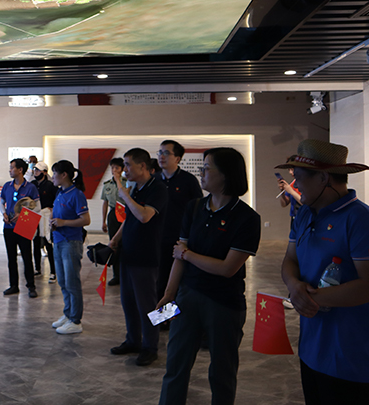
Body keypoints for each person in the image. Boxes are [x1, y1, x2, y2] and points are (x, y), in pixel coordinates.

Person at [280, 139, 369, 405]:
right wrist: (294, 285)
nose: (295, 186)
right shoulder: (305, 214)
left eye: (300, 178)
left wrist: (309, 298)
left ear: (323, 178)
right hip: (312, 349)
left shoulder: (362, 220)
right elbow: (290, 260)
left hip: (350, 356)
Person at [157, 147, 260, 405]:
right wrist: (169, 294)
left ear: (225, 174)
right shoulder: (194, 208)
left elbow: (227, 268)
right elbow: (178, 256)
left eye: (206, 168)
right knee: (175, 364)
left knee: (223, 371)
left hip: (224, 302)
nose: (201, 173)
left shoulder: (247, 218)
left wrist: (187, 254)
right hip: (187, 295)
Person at [108, 148, 167, 366]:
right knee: (128, 301)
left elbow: (143, 216)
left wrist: (123, 193)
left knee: (147, 304)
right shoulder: (136, 188)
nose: (125, 169)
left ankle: (150, 346)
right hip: (129, 252)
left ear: (143, 166)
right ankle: (133, 340)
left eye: (128, 164)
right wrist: (115, 239)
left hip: (146, 254)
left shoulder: (158, 188)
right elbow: (130, 218)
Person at [155, 140, 203, 304]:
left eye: (166, 153)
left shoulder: (188, 180)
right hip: (157, 238)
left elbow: (198, 210)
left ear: (177, 158)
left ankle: (176, 314)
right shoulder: (154, 180)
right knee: (159, 281)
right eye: (160, 152)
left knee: (177, 281)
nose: (161, 156)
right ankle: (161, 315)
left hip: (180, 240)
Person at [49, 160, 90, 335]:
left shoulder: (77, 194)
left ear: (64, 175)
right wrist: (53, 223)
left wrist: (63, 222)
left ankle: (75, 320)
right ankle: (68, 313)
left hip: (71, 243)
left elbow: (86, 220)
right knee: (63, 281)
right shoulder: (60, 192)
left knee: (72, 282)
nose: (52, 177)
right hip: (58, 241)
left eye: (54, 173)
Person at [0, 158, 40, 297]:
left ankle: (31, 286)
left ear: (20, 170)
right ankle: (13, 285)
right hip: (8, 227)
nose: (10, 170)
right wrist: (4, 213)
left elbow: (37, 207)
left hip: (24, 227)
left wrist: (23, 214)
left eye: (12, 168)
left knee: (27, 257)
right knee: (11, 258)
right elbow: (1, 202)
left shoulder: (30, 187)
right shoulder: (7, 186)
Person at [101, 157, 126, 286]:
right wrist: (103, 221)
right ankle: (116, 275)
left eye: (117, 167)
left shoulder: (127, 183)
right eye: (112, 168)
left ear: (122, 169)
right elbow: (105, 203)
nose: (114, 170)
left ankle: (125, 274)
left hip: (125, 214)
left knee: (125, 244)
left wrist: (118, 180)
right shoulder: (107, 185)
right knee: (114, 244)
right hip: (113, 214)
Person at [31, 161, 57, 282]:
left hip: (46, 215)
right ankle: (37, 268)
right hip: (34, 214)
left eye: (38, 170)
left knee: (48, 241)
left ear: (45, 172)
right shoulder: (32, 184)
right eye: (35, 170)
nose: (35, 172)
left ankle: (53, 271)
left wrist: (53, 209)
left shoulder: (50, 185)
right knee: (35, 241)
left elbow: (56, 199)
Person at [277, 161, 302, 229]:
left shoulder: (305, 184)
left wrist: (291, 191)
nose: (290, 172)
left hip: (304, 217)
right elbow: (284, 204)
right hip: (294, 218)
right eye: (289, 169)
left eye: (292, 169)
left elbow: (305, 203)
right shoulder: (292, 183)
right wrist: (282, 191)